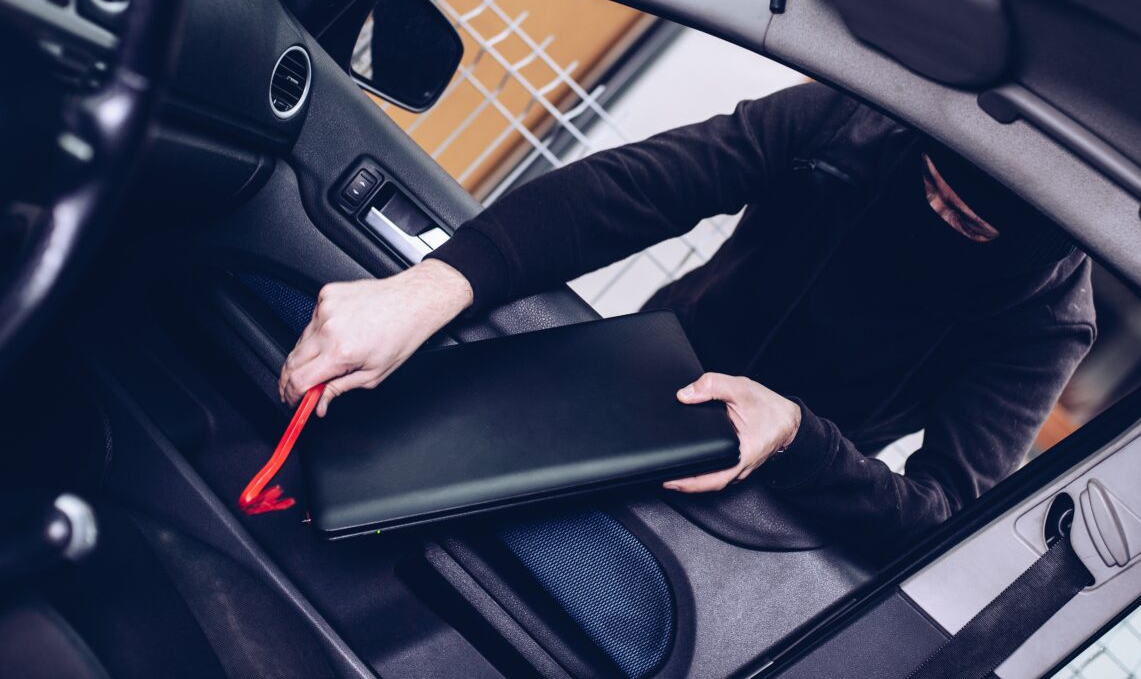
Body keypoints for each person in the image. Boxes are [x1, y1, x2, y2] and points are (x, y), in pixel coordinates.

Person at [278, 81, 1095, 549]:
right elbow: (634, 189)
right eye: (931, 187)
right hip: (643, 374)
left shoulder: (1047, 318)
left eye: (969, 224)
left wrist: (794, 435)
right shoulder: (854, 121)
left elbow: (945, 512)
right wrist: (433, 285)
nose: (937, 213)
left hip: (779, 489)